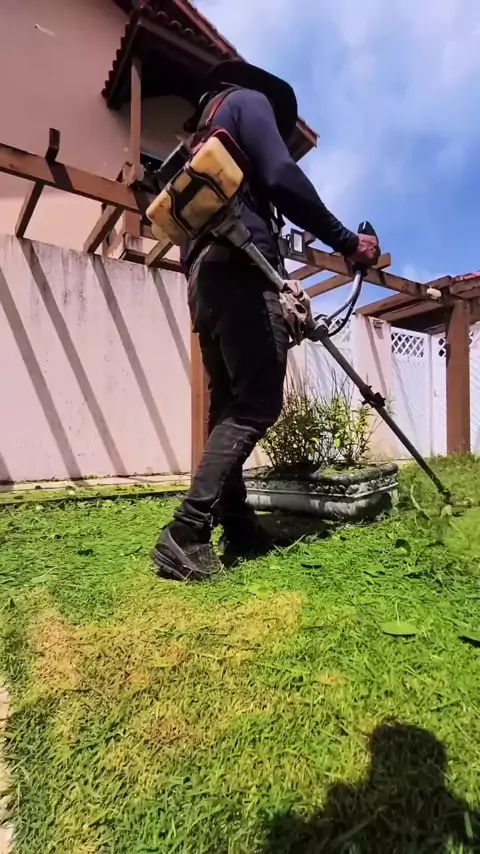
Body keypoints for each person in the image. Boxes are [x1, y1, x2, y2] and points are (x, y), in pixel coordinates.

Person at [152, 60, 380, 582]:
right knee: (258, 402)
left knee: (228, 406)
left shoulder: (204, 142)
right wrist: (348, 242)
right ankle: (187, 530)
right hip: (240, 273)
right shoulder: (247, 102)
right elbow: (280, 175)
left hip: (205, 282)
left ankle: (236, 521)